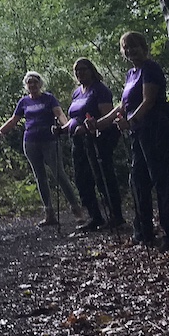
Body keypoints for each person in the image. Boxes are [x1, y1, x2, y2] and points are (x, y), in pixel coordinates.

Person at [98, 32, 169, 248]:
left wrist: (130, 121)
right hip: (138, 132)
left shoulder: (150, 69)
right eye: (126, 48)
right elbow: (122, 106)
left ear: (143, 47)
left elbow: (149, 100)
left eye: (134, 46)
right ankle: (143, 230)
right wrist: (100, 123)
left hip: (154, 128)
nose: (130, 51)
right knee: (137, 180)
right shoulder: (132, 74)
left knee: (161, 178)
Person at [0, 71, 84, 227]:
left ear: (40, 84)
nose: (32, 85)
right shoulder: (23, 102)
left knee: (59, 174)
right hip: (30, 141)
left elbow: (59, 114)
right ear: (26, 86)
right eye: (29, 83)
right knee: (40, 177)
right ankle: (49, 213)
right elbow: (14, 120)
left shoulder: (49, 98)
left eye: (35, 82)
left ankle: (76, 210)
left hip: (49, 140)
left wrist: (65, 127)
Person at [66, 57, 125, 232]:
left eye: (83, 69)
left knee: (102, 176)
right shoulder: (77, 92)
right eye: (77, 70)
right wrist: (61, 129)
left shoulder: (100, 90)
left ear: (91, 70)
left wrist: (90, 128)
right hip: (78, 140)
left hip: (98, 139)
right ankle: (95, 216)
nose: (80, 73)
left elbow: (107, 115)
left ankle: (116, 215)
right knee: (82, 178)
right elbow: (74, 118)